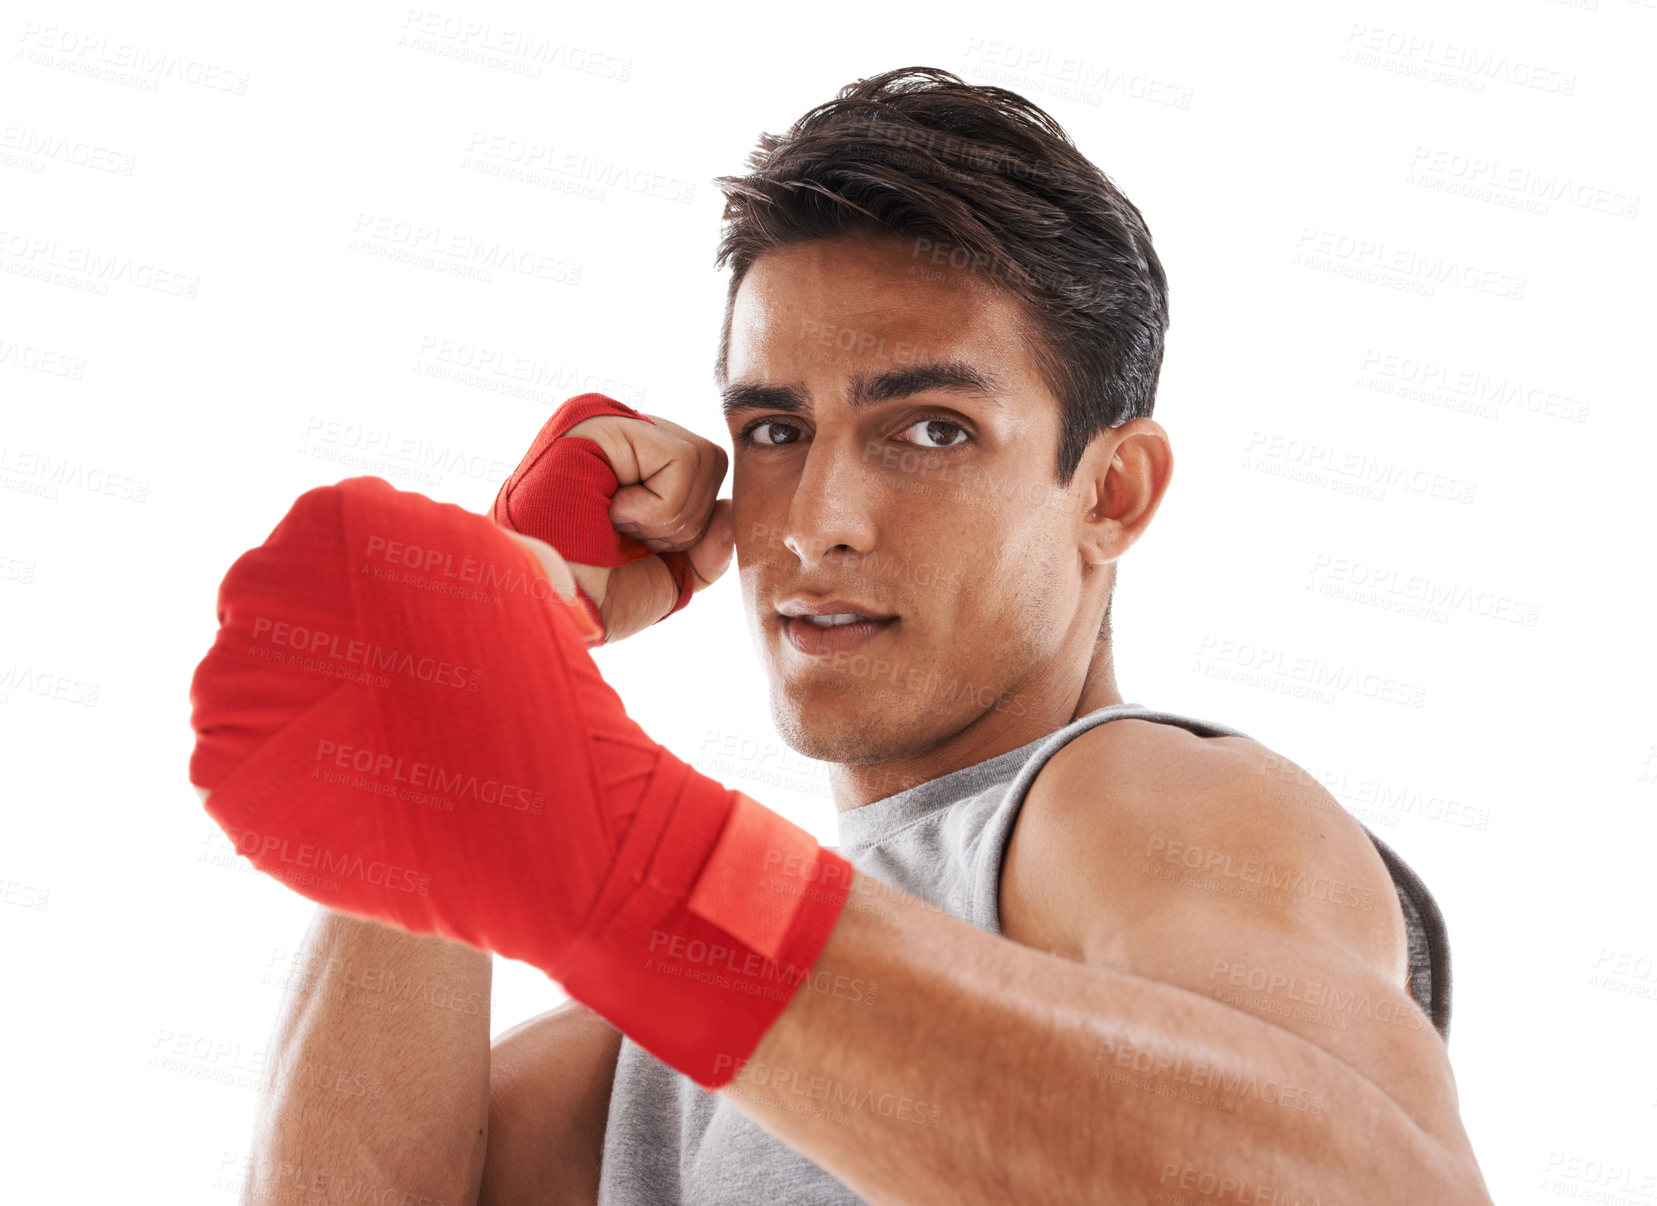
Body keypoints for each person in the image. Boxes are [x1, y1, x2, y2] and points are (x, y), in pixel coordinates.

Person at [216, 66, 1492, 1204]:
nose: (818, 521)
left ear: (1109, 494)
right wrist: (474, 676)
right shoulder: (678, 1039)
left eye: (929, 428)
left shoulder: (1130, 802)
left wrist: (627, 860)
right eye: (775, 429)